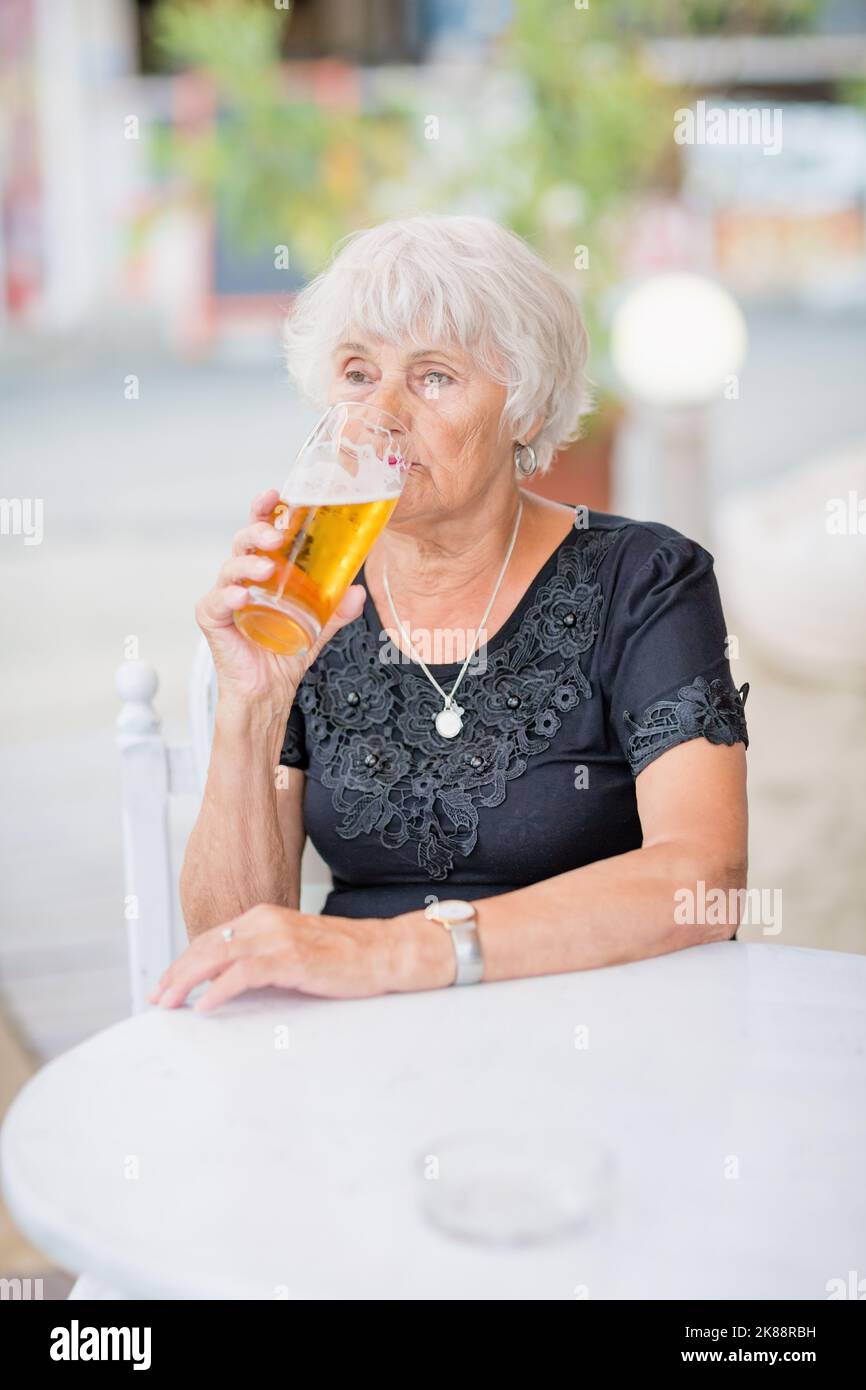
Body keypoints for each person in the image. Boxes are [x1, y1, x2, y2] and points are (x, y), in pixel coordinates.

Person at [152, 215, 749, 1012]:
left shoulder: (643, 579)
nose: (383, 414)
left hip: (595, 1031)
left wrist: (395, 950)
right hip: (358, 1051)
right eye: (359, 374)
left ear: (525, 414)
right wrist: (253, 704)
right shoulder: (310, 599)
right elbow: (228, 946)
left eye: (435, 377)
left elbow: (703, 882)